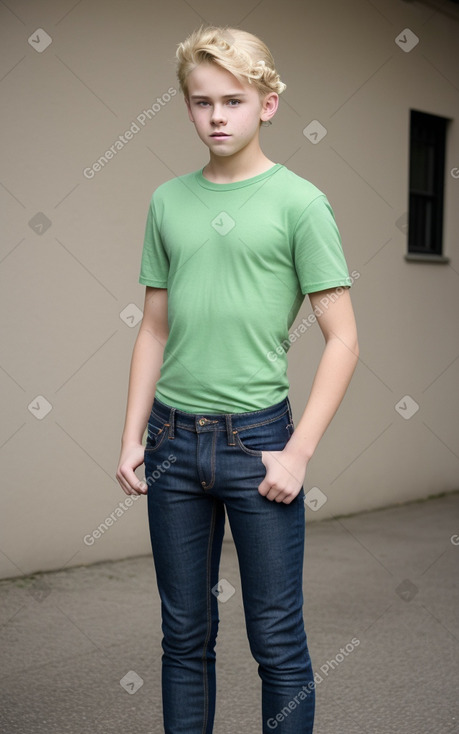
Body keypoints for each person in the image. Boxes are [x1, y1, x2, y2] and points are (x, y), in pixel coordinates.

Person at [116, 25, 359, 734]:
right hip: (170, 442)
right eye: (200, 102)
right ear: (186, 107)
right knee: (183, 640)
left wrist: (297, 451)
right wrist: (131, 436)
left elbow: (342, 339)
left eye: (233, 100)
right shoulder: (167, 201)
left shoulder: (301, 204)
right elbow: (153, 329)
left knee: (277, 642)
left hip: (259, 445)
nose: (216, 116)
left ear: (268, 104)